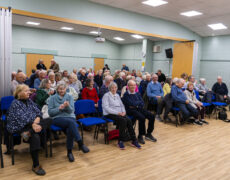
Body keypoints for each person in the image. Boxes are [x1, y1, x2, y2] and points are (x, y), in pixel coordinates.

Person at [7, 85, 52, 175]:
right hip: (19, 127)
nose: (29, 92)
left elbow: (38, 112)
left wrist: (36, 121)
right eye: (26, 91)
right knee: (35, 137)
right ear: (19, 93)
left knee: (50, 119)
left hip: (31, 126)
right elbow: (22, 119)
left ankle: (29, 133)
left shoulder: (29, 101)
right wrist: (34, 124)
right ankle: (36, 165)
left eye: (29, 91)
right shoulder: (15, 103)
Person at [48, 82, 89, 162]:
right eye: (60, 89)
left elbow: (71, 111)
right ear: (57, 89)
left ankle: (69, 152)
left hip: (70, 117)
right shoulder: (52, 98)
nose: (61, 90)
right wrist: (59, 108)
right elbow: (50, 113)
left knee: (70, 129)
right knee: (71, 123)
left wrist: (67, 106)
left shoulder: (69, 96)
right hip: (57, 118)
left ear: (65, 89)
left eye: (63, 89)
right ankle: (80, 143)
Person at [102, 82, 141, 149]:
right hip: (109, 114)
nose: (114, 89)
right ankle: (120, 141)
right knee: (123, 120)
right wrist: (118, 113)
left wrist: (124, 112)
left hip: (119, 113)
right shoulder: (106, 95)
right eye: (112, 88)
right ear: (109, 88)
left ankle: (134, 140)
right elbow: (106, 108)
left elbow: (122, 105)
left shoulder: (117, 95)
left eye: (115, 87)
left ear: (117, 88)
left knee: (128, 120)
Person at [123, 80, 156, 144]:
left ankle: (149, 134)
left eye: (134, 85)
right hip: (130, 110)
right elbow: (130, 103)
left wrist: (136, 105)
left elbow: (142, 102)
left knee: (151, 116)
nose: (133, 86)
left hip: (139, 108)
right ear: (128, 86)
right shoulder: (126, 94)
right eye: (131, 85)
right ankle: (140, 135)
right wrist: (137, 104)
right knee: (142, 117)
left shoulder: (137, 93)